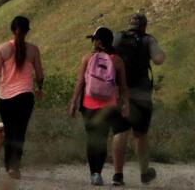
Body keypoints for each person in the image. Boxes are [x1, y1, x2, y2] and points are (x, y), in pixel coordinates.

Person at [69, 26, 130, 187]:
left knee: (92, 138)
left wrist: (74, 101)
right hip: (108, 105)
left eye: (93, 39)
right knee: (102, 139)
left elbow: (80, 82)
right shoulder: (117, 60)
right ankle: (99, 173)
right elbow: (123, 86)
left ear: (98, 41)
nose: (92, 42)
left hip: (88, 105)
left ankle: (94, 173)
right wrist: (126, 105)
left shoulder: (87, 58)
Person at [0, 14, 43, 179]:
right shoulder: (33, 49)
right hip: (25, 96)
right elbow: (39, 73)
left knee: (9, 131)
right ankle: (14, 166)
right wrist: (40, 88)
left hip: (5, 98)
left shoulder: (2, 49)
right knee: (20, 132)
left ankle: (9, 165)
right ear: (27, 31)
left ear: (12, 29)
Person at [112, 12, 166, 185]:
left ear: (129, 25)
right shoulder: (148, 40)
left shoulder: (118, 37)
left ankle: (118, 176)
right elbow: (158, 59)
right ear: (144, 26)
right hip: (142, 94)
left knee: (120, 132)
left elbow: (106, 56)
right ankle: (144, 173)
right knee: (140, 134)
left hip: (120, 91)